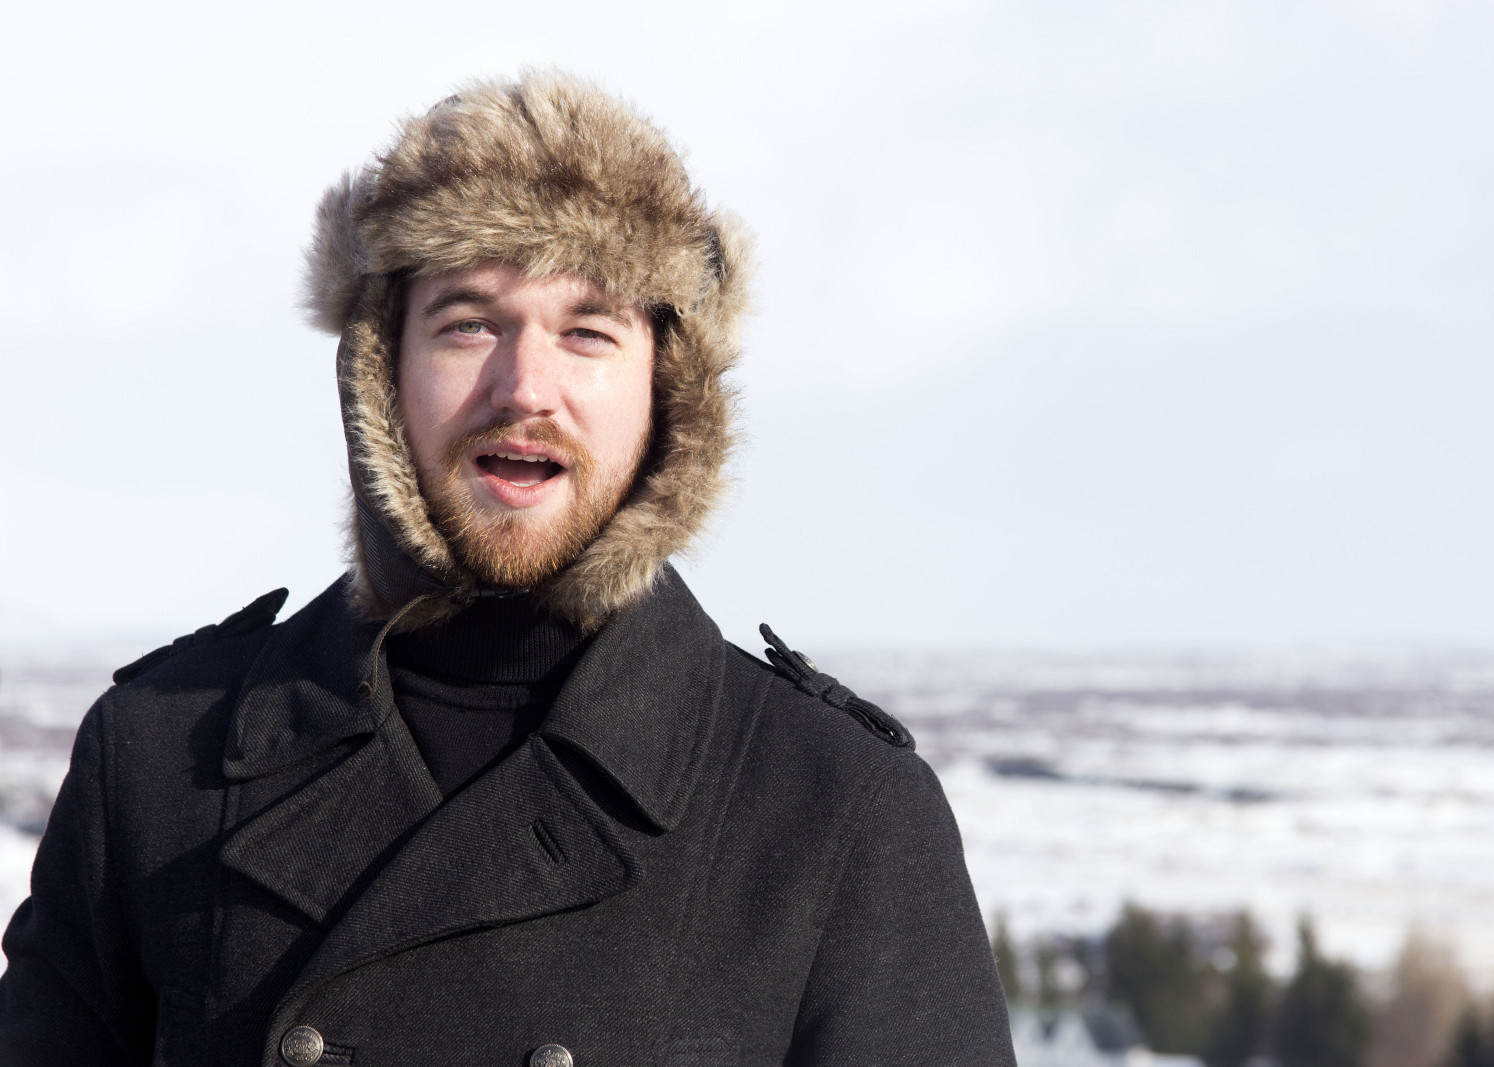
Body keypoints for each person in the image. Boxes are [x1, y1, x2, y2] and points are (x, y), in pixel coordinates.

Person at [0, 71, 1014, 1066]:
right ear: (380, 371)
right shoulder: (158, 758)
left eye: (587, 332)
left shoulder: (833, 805)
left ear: (666, 391)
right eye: (469, 323)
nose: (525, 387)